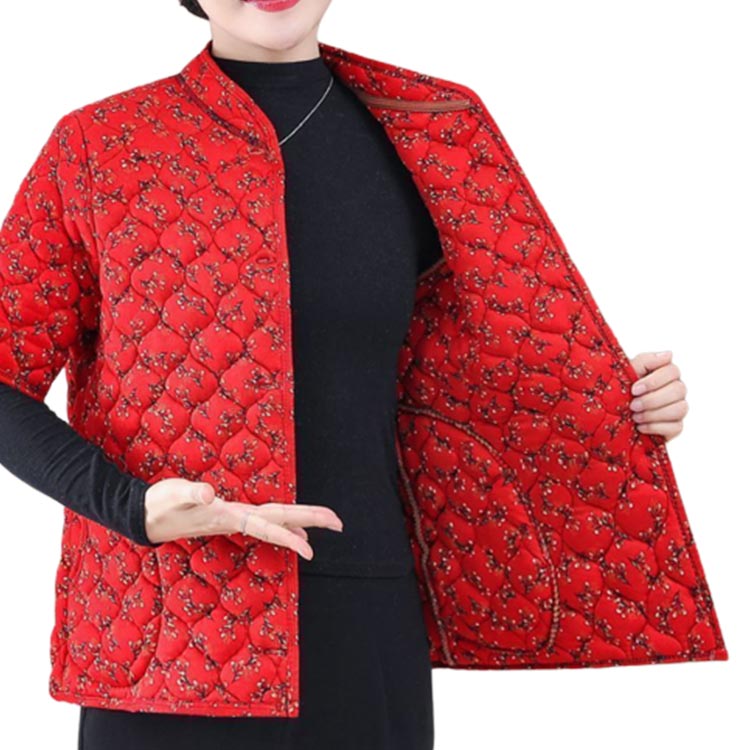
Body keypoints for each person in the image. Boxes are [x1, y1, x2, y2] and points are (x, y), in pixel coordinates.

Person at [0, 1, 700, 749]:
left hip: (368, 626)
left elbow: (467, 370)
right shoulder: (101, 147)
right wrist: (131, 506)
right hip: (167, 637)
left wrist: (612, 401)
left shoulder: (431, 134)